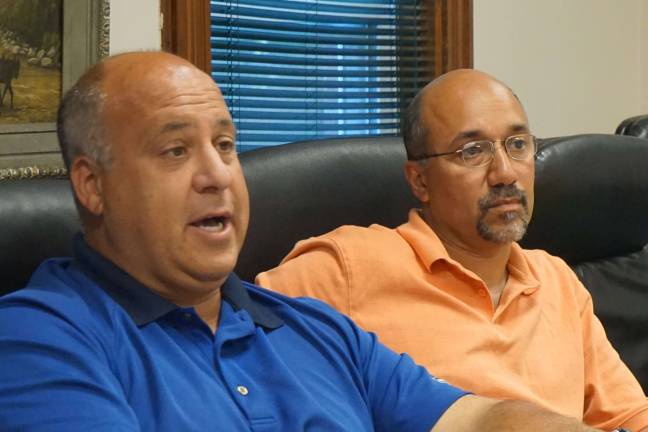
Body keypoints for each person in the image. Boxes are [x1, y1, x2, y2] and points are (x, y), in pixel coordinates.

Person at [0, 52, 607, 432]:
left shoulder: (318, 330)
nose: (216, 175)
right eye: (176, 150)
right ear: (92, 185)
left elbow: (474, 416)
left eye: (227, 146)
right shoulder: (39, 339)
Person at [256, 69, 648, 431]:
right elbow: (234, 354)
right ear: (420, 181)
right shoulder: (346, 267)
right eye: (472, 151)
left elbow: (629, 414)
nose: (506, 173)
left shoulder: (557, 280)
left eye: (517, 145)